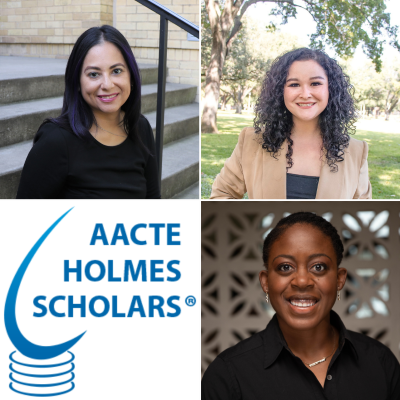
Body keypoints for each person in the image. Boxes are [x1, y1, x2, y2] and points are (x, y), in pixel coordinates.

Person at [202, 212, 400, 399]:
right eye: (285, 267)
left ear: (339, 279)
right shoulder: (227, 376)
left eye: (319, 267)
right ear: (265, 282)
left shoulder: (380, 363)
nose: (302, 281)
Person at [17, 25, 160, 199]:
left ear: (131, 76)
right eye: (94, 74)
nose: (107, 84)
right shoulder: (55, 141)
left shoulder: (140, 127)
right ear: (77, 82)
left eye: (116, 71)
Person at [210, 48, 372, 199]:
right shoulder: (252, 141)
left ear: (331, 89)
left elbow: (365, 217)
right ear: (281, 91)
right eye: (294, 84)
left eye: (315, 83)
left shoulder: (356, 152)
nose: (305, 94)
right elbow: (222, 194)